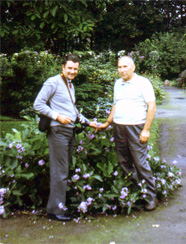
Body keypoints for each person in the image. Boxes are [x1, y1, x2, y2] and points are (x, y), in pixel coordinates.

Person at [34, 54, 97, 221]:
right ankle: (55, 211)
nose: (72, 71)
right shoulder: (52, 82)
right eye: (69, 68)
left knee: (64, 169)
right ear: (62, 67)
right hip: (58, 131)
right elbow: (38, 103)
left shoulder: (70, 84)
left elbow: (72, 111)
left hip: (69, 131)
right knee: (60, 171)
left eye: (75, 69)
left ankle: (59, 205)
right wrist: (57, 116)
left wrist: (88, 122)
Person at [99, 56, 158, 211]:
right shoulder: (118, 84)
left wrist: (146, 129)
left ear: (133, 67)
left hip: (136, 127)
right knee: (124, 161)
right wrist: (107, 122)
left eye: (125, 66)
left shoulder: (143, 83)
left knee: (140, 162)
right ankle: (135, 194)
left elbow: (151, 106)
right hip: (119, 127)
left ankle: (152, 197)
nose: (122, 70)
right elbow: (116, 104)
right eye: (119, 67)